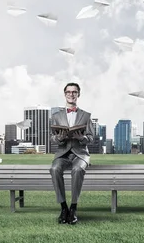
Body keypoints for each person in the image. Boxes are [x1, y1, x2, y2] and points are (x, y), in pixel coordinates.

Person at [49, 82, 94, 225]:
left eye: (74, 92)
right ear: (65, 94)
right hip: (63, 153)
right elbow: (52, 137)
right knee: (54, 168)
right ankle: (63, 208)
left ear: (78, 95)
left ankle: (73, 208)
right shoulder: (56, 116)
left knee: (78, 169)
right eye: (68, 92)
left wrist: (82, 138)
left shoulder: (86, 116)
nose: (71, 94)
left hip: (80, 153)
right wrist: (59, 138)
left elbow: (92, 138)